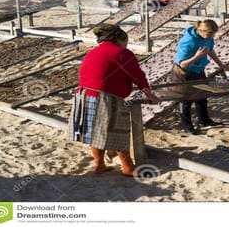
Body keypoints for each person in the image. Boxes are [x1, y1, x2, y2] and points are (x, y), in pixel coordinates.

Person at [68, 24, 160, 177]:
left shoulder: (93, 52)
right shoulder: (121, 53)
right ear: (120, 39)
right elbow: (137, 76)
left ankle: (100, 165)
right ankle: (128, 168)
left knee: (94, 132)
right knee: (117, 132)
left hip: (84, 95)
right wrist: (150, 95)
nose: (127, 45)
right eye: (126, 42)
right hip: (104, 97)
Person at [170, 19, 229, 135]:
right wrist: (197, 56)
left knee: (202, 96)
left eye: (213, 34)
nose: (212, 36)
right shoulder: (188, 41)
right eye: (210, 33)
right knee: (186, 99)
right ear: (201, 31)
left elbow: (210, 50)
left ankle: (204, 120)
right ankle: (188, 126)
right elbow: (182, 63)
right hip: (184, 72)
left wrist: (221, 65)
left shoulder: (208, 38)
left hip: (198, 70)